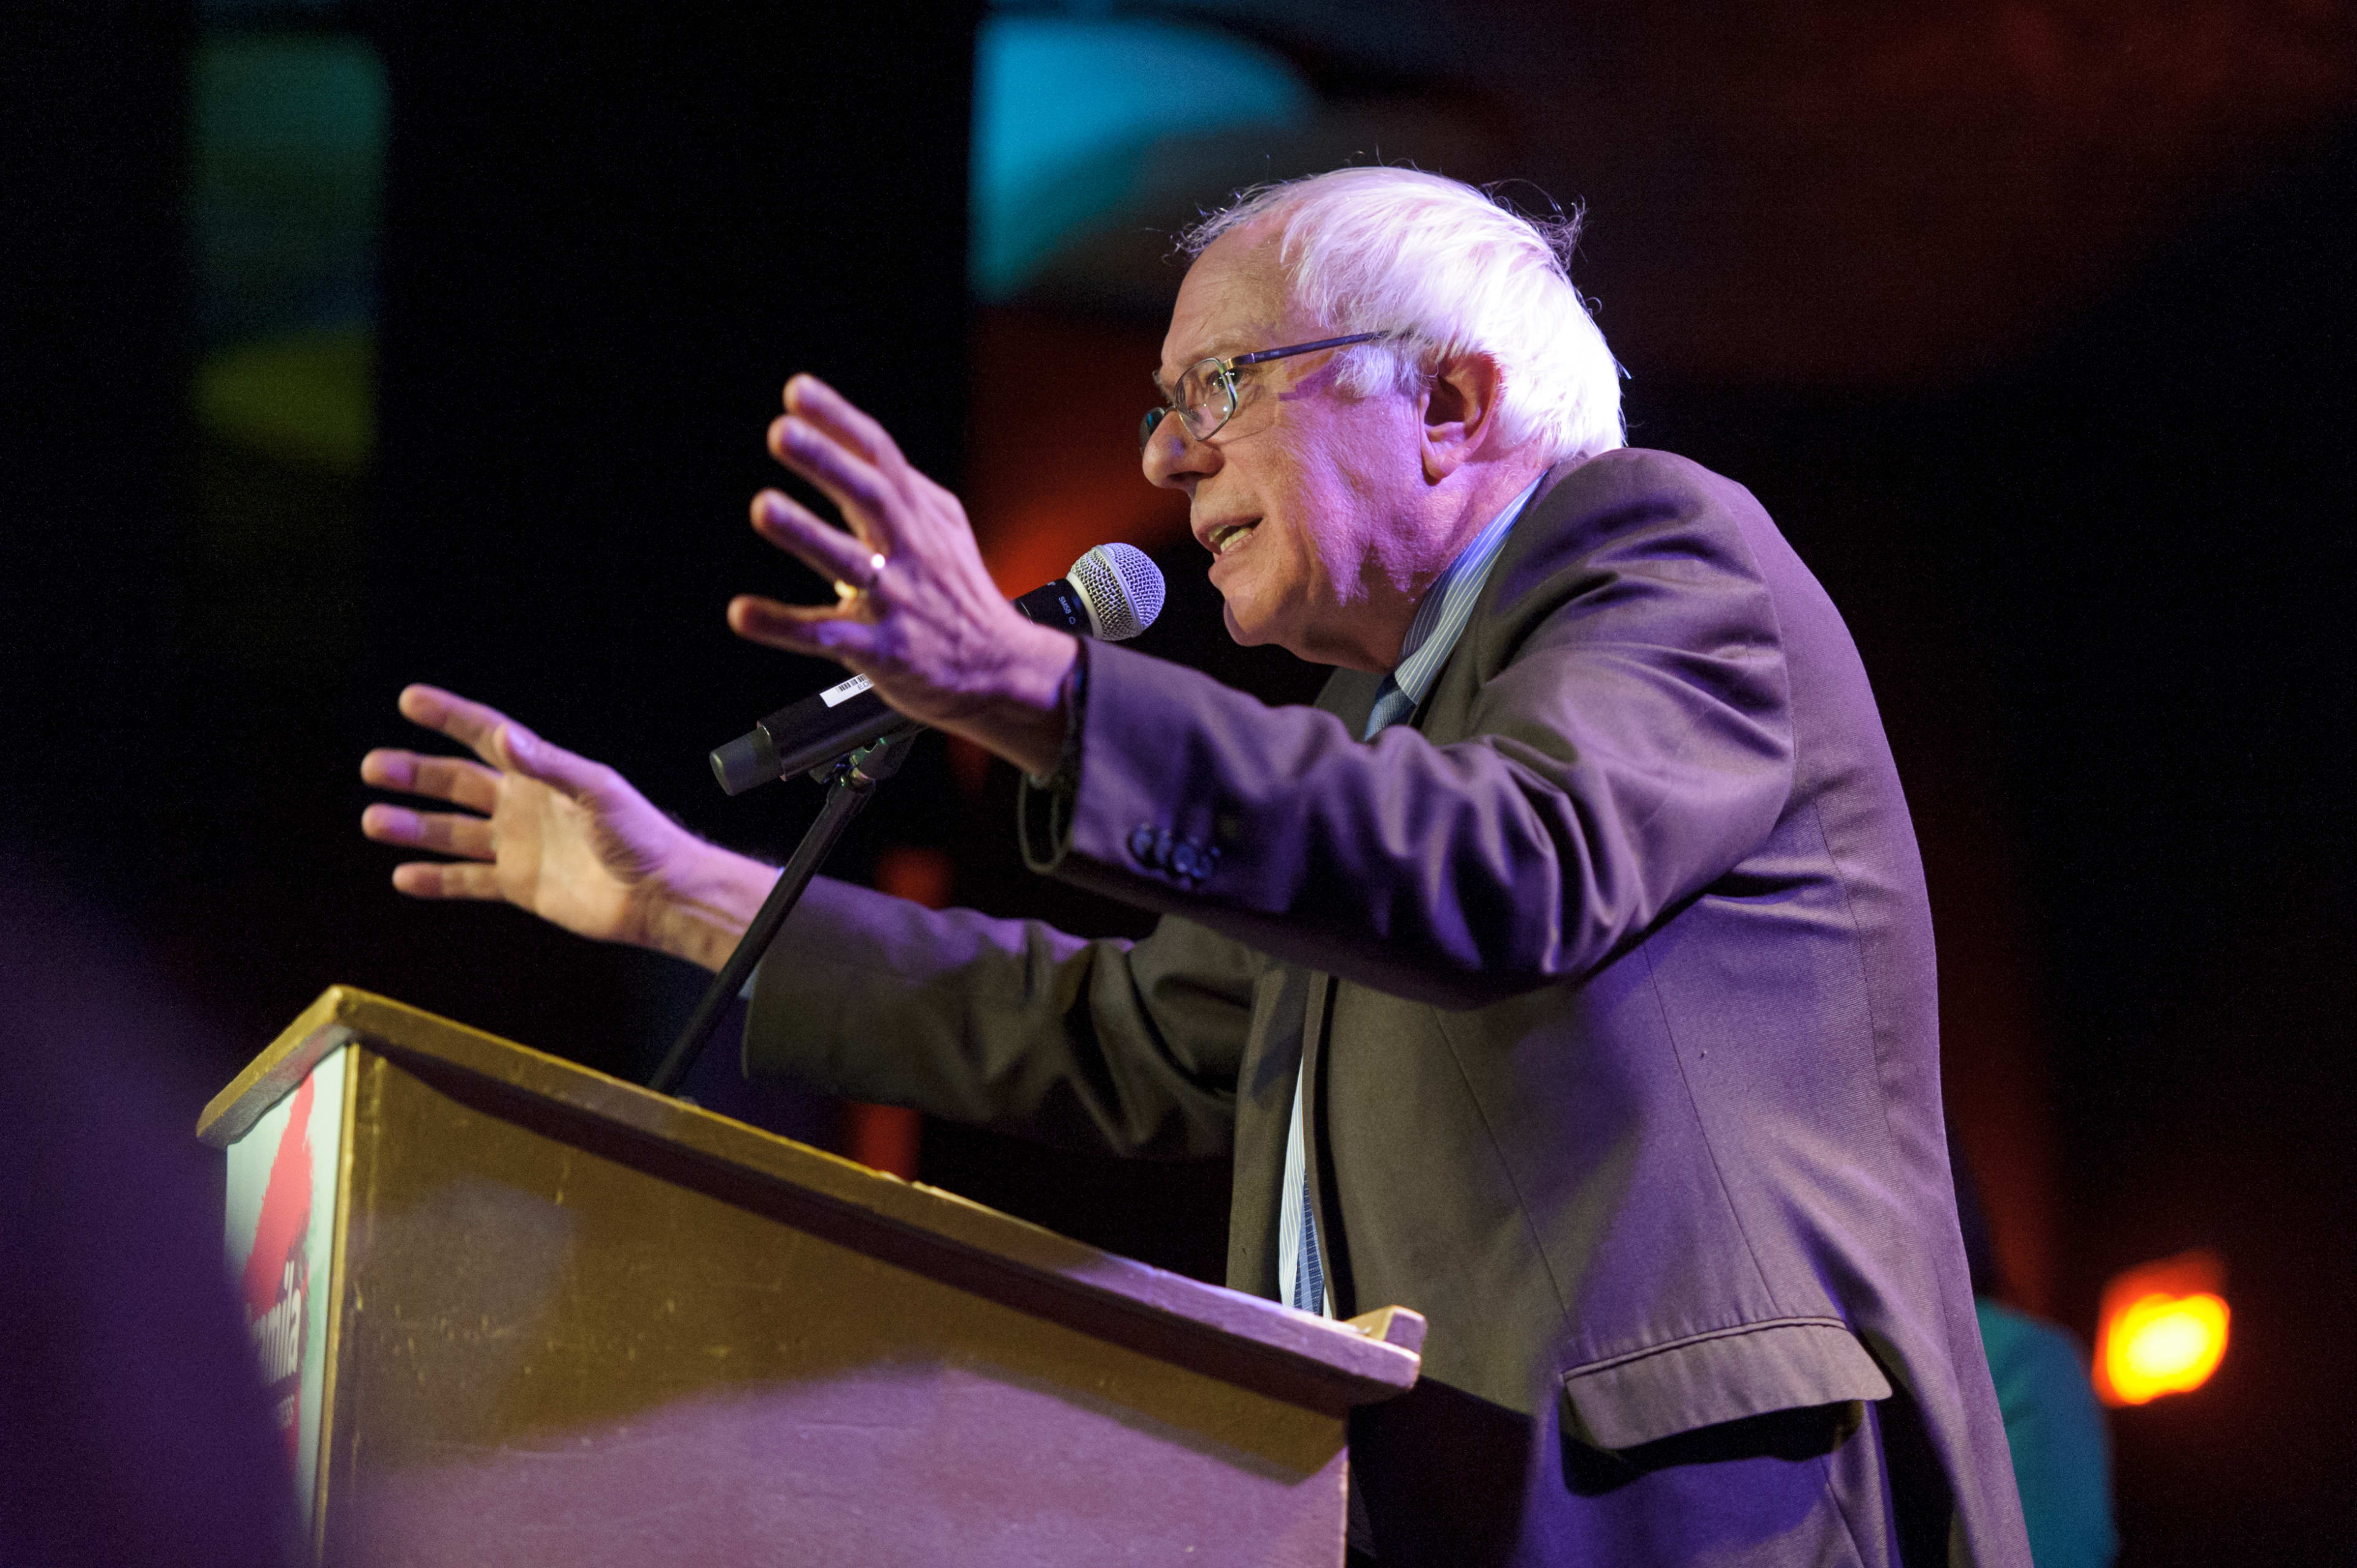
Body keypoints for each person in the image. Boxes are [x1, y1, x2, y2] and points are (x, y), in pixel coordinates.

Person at [360, 167, 2031, 1566]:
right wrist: (674, 893)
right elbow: (1131, 1034)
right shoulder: (1379, 739)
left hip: (1693, 1514)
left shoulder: (1657, 553)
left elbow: (1515, 863)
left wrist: (1030, 685)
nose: (1164, 461)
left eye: (1218, 389)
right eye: (1164, 407)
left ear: (1449, 401)